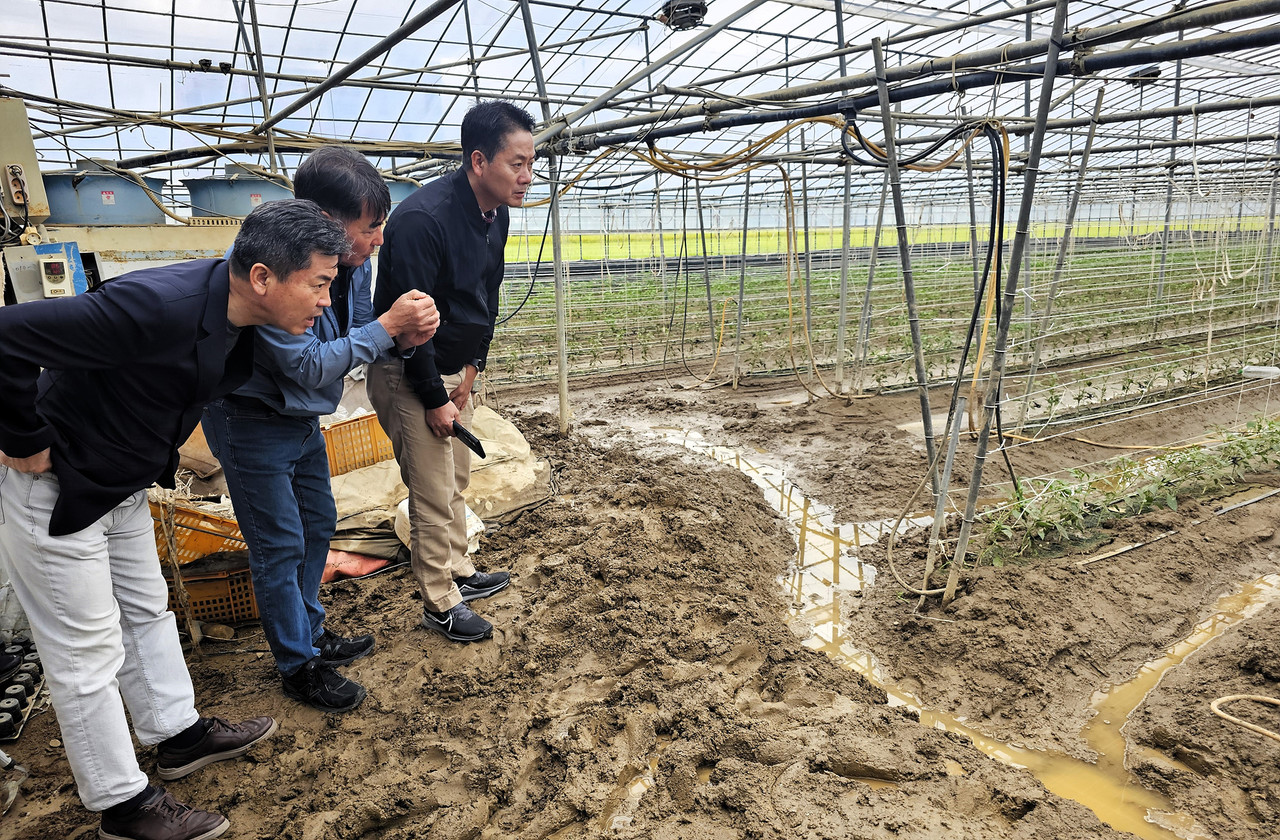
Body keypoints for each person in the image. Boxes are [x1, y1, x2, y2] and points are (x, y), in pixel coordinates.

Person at [0, 199, 349, 840]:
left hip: (123, 480)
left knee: (147, 609)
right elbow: (7, 334)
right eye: (321, 282)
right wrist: (21, 434)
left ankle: (177, 733)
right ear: (266, 277)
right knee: (85, 651)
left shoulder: (239, 317)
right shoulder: (153, 307)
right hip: (60, 483)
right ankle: (122, 806)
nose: (328, 299)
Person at [201, 147, 438, 713]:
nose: (378, 240)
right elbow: (305, 363)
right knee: (278, 541)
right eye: (370, 227)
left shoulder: (348, 263)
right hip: (250, 418)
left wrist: (395, 336)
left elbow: (354, 330)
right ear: (328, 220)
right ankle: (297, 664)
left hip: (299, 416)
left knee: (318, 521)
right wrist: (386, 328)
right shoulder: (275, 272)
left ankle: (310, 630)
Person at [366, 100, 534, 642]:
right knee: (432, 488)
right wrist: (434, 397)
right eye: (518, 164)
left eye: (532, 164)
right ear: (479, 161)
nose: (527, 177)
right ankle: (439, 601)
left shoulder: (495, 214)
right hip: (409, 371)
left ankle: (460, 567)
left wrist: (471, 370)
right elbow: (408, 324)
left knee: (456, 472)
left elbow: (487, 292)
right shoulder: (423, 220)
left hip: (452, 370)